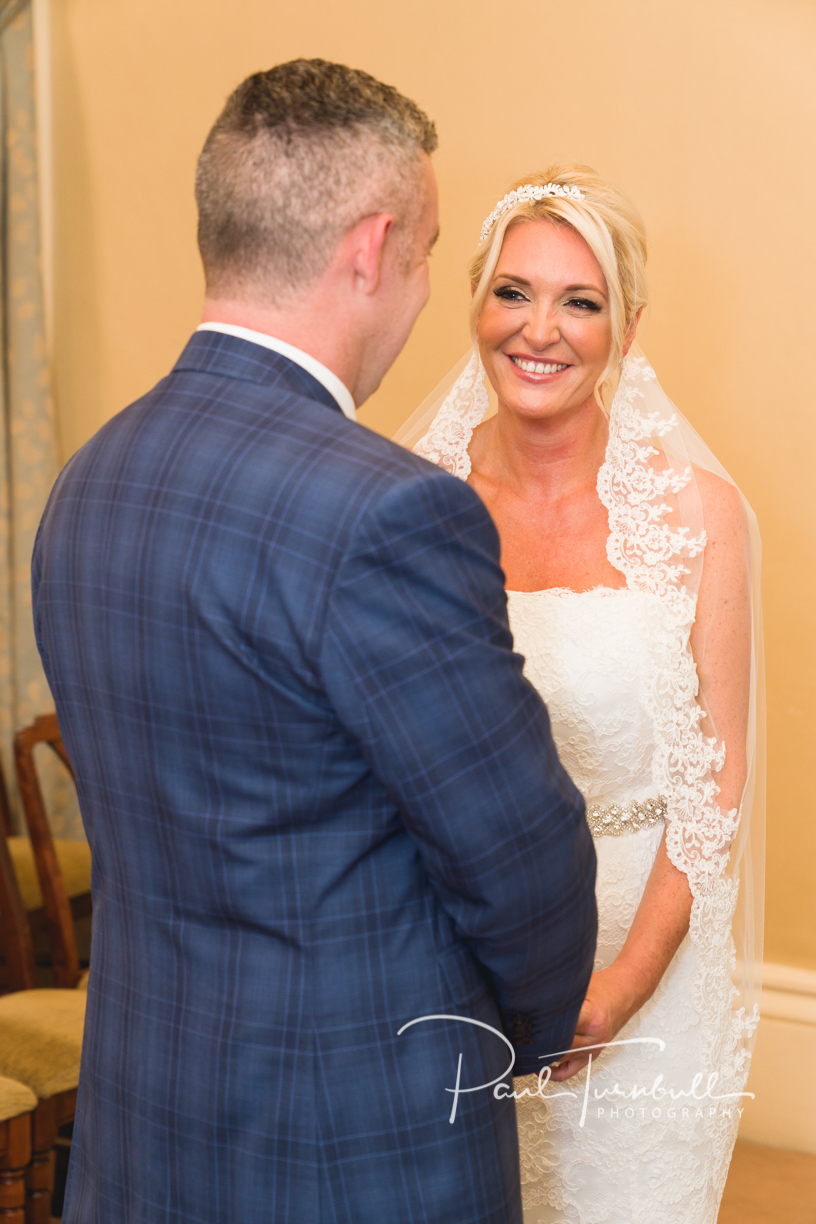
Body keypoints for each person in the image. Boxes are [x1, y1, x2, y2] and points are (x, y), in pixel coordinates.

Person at [32, 65, 598, 1224]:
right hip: (357, 1133)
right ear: (371, 246)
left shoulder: (88, 481)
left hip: (146, 1109)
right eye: (433, 253)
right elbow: (519, 853)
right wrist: (534, 1032)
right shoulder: (388, 509)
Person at [399, 164, 764, 1224]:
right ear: (474, 301)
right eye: (513, 291)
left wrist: (614, 995)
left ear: (627, 326)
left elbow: (717, 783)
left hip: (648, 967)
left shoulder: (699, 516)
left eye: (580, 300)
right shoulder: (409, 500)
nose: (539, 330)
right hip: (460, 970)